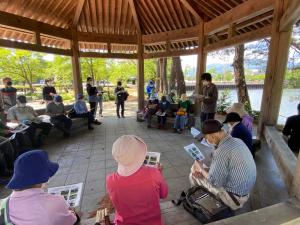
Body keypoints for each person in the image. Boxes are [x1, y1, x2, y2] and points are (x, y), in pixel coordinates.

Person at [189, 120, 256, 211]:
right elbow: (224, 170)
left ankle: (201, 203)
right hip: (244, 193)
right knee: (200, 169)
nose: (206, 141)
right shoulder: (237, 141)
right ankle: (203, 199)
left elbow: (215, 182)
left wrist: (200, 169)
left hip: (232, 199)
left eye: (206, 138)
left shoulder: (221, 151)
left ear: (213, 137)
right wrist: (204, 170)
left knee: (194, 171)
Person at [4, 150, 79, 225]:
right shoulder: (56, 202)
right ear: (42, 178)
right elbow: (72, 220)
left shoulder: (3, 205)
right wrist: (72, 212)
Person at [106, 135, 168, 225]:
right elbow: (163, 194)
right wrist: (159, 174)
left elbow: (118, 202)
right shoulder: (154, 174)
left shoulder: (110, 180)